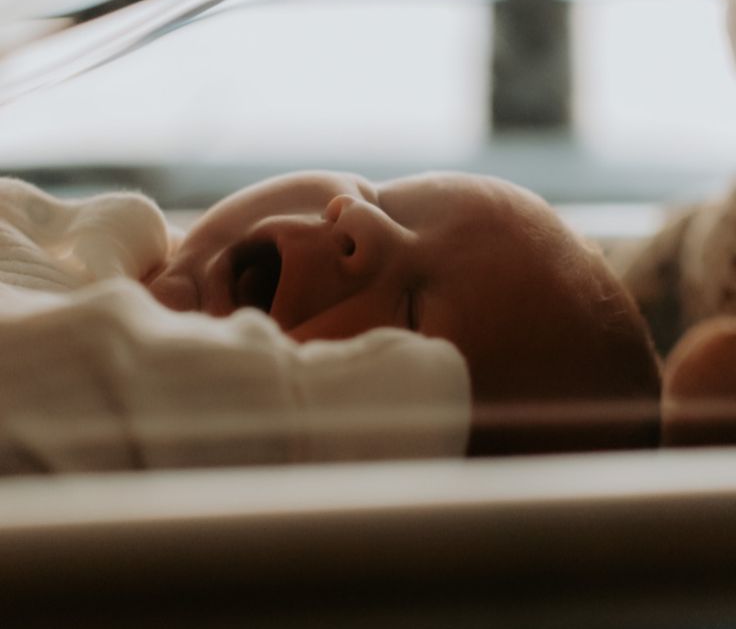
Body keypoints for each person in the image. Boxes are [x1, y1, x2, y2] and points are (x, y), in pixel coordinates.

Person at [0, 168, 661, 473]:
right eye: (384, 193)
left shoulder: (150, 464)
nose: (358, 218)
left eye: (410, 315)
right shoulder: (94, 235)